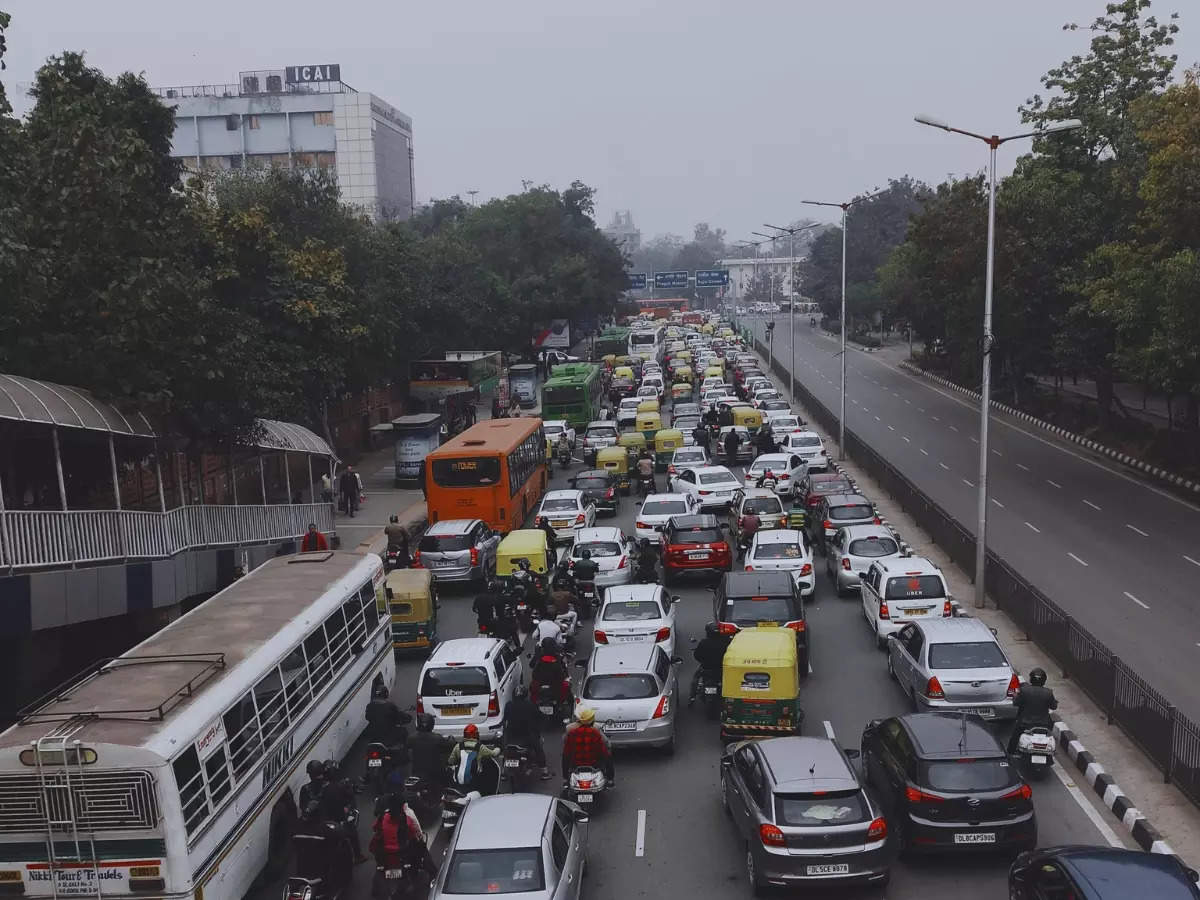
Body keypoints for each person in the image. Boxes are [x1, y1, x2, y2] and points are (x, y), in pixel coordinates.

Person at [369, 792, 436, 883]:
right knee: (422, 849)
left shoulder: (383, 817)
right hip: (402, 852)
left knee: (380, 869)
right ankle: (433, 874)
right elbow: (415, 833)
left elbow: (375, 829)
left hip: (385, 853)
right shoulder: (407, 818)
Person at [319, 759, 367, 863]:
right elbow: (349, 798)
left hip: (324, 822)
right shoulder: (339, 787)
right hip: (338, 820)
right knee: (353, 833)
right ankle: (358, 856)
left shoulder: (320, 788)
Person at [502, 683, 552, 780]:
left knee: (506, 751)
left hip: (511, 736)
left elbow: (505, 719)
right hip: (527, 736)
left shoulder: (509, 705)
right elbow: (540, 716)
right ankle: (544, 772)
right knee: (538, 748)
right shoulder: (530, 705)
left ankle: (504, 773)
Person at [1008, 667, 1059, 756]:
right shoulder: (1048, 692)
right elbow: (1054, 707)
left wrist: (1015, 696)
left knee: (1015, 737)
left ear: (1031, 679)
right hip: (1044, 723)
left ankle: (1010, 753)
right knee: (1050, 735)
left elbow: (1016, 703)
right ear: (1044, 680)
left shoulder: (1024, 690)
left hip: (1025, 723)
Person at [561, 708, 614, 787]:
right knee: (608, 756)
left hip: (575, 764)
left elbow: (567, 752)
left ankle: (565, 779)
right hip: (594, 764)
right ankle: (610, 780)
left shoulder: (572, 733)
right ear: (592, 721)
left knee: (564, 756)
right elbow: (602, 751)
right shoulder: (595, 733)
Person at [447, 724, 501, 796]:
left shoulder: (458, 746)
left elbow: (451, 761)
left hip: (457, 785)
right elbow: (494, 754)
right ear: (477, 735)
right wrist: (498, 748)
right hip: (473, 785)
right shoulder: (480, 747)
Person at [689, 622, 730, 704]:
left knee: (695, 678)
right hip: (721, 669)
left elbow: (697, 655)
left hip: (706, 669)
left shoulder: (704, 643)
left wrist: (703, 661)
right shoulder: (726, 642)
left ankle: (692, 697)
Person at [407, 713, 451, 787]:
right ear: (432, 725)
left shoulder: (411, 738)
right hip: (436, 775)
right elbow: (449, 747)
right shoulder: (438, 738)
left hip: (417, 773)